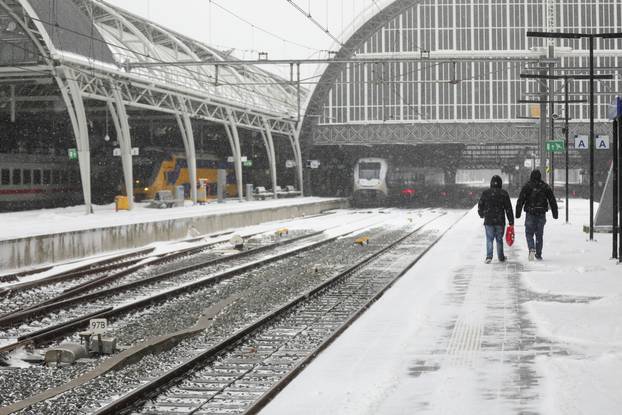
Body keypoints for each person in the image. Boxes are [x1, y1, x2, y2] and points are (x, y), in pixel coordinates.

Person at [515, 170, 558, 261]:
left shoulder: (527, 186)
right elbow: (552, 200)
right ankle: (538, 254)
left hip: (530, 213)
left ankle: (531, 248)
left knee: (529, 233)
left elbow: (521, 200)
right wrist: (555, 213)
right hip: (541, 214)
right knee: (539, 235)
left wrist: (518, 212)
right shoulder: (545, 187)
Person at [478, 175, 514, 264]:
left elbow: (480, 205)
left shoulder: (486, 193)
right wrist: (511, 221)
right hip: (500, 220)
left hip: (489, 220)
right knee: (499, 239)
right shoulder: (504, 193)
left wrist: (481, 214)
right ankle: (501, 257)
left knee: (489, 239)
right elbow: (508, 208)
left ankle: (489, 257)